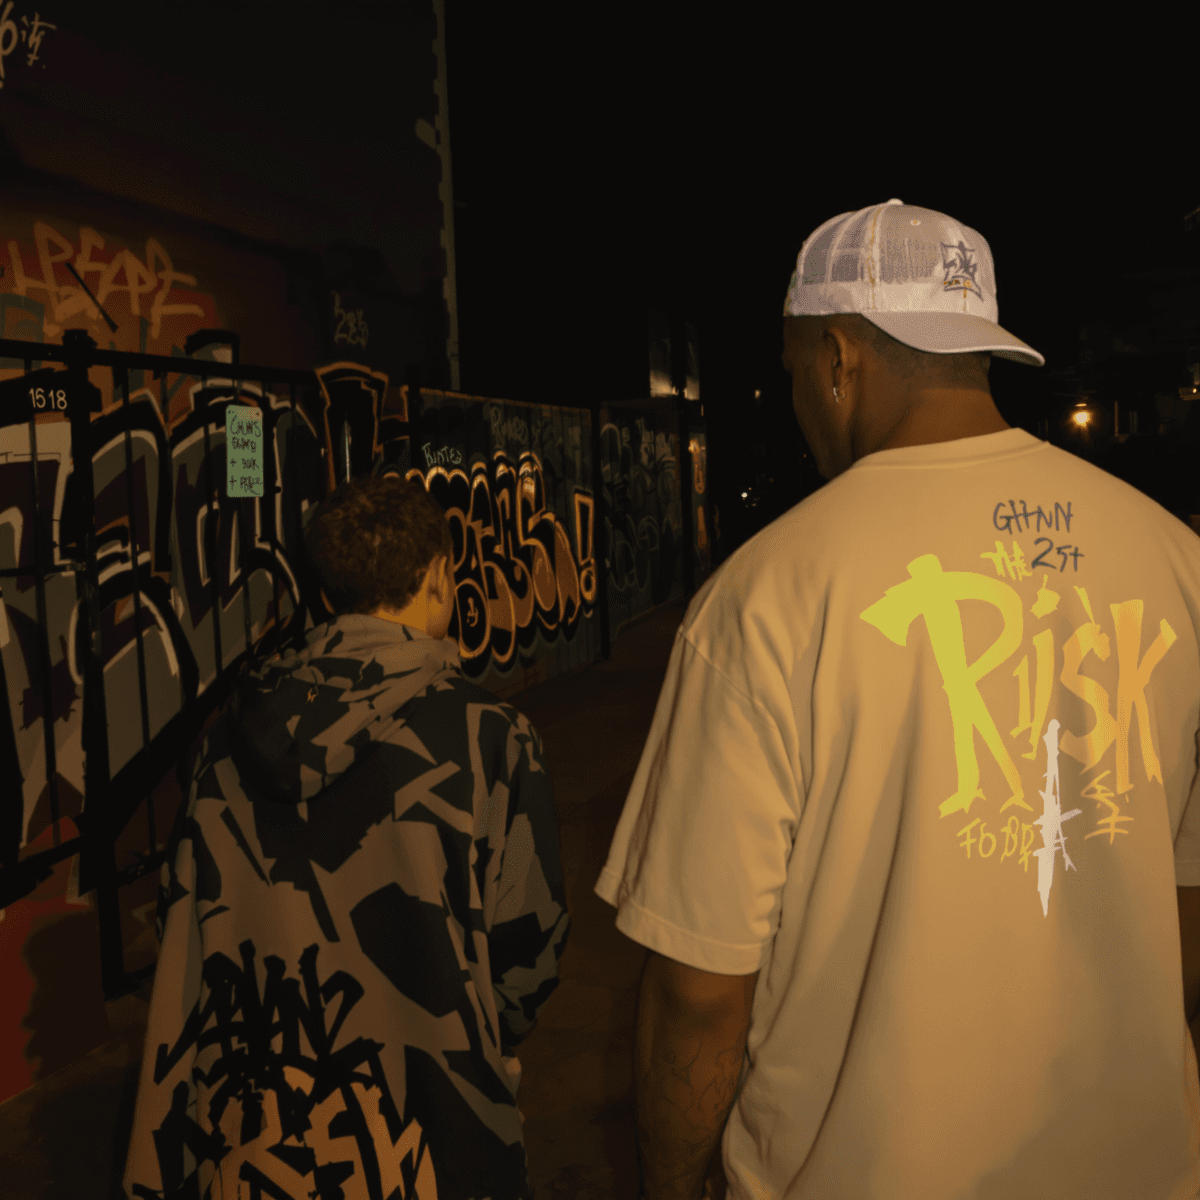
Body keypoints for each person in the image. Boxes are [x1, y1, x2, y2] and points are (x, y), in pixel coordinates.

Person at [594, 199, 1200, 1199]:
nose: (796, 398)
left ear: (836, 356)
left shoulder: (769, 593)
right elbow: (1181, 910)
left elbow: (699, 994)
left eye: (793, 372)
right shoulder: (1175, 563)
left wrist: (671, 1183)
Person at [122, 474, 569, 1200]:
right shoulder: (491, 739)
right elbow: (531, 949)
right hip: (437, 1128)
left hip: (262, 1131)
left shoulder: (224, 743)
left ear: (326, 596)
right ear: (435, 578)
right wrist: (482, 1030)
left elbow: (193, 930)